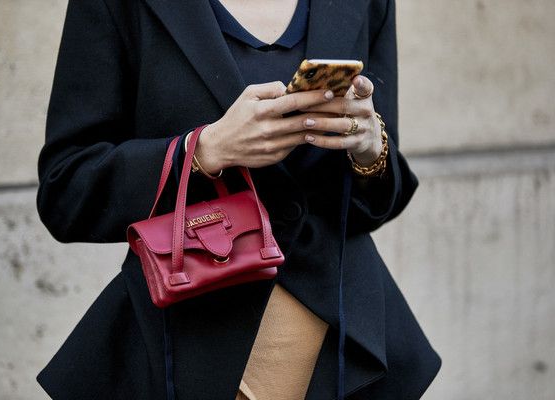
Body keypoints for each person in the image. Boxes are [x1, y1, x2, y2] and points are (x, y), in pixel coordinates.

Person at [35, 0, 442, 399]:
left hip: (342, 341)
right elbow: (66, 188)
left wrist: (371, 149)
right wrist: (203, 151)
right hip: (194, 340)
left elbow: (377, 203)